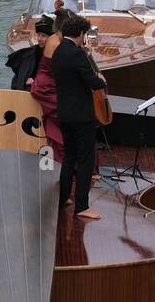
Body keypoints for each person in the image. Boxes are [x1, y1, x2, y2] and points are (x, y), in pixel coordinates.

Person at [51, 15, 106, 220]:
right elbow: (93, 82)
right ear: (81, 34)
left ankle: (64, 197)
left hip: (64, 113)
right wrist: (100, 78)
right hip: (81, 115)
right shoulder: (76, 54)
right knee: (85, 160)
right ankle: (82, 206)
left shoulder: (58, 52)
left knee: (69, 157)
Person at [29, 11, 68, 161]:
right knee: (63, 117)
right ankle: (61, 160)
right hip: (47, 89)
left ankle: (56, 160)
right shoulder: (57, 43)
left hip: (45, 86)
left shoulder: (54, 40)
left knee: (54, 122)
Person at [6, 14, 55, 91]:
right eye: (38, 35)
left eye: (43, 36)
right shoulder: (32, 54)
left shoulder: (57, 54)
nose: (39, 39)